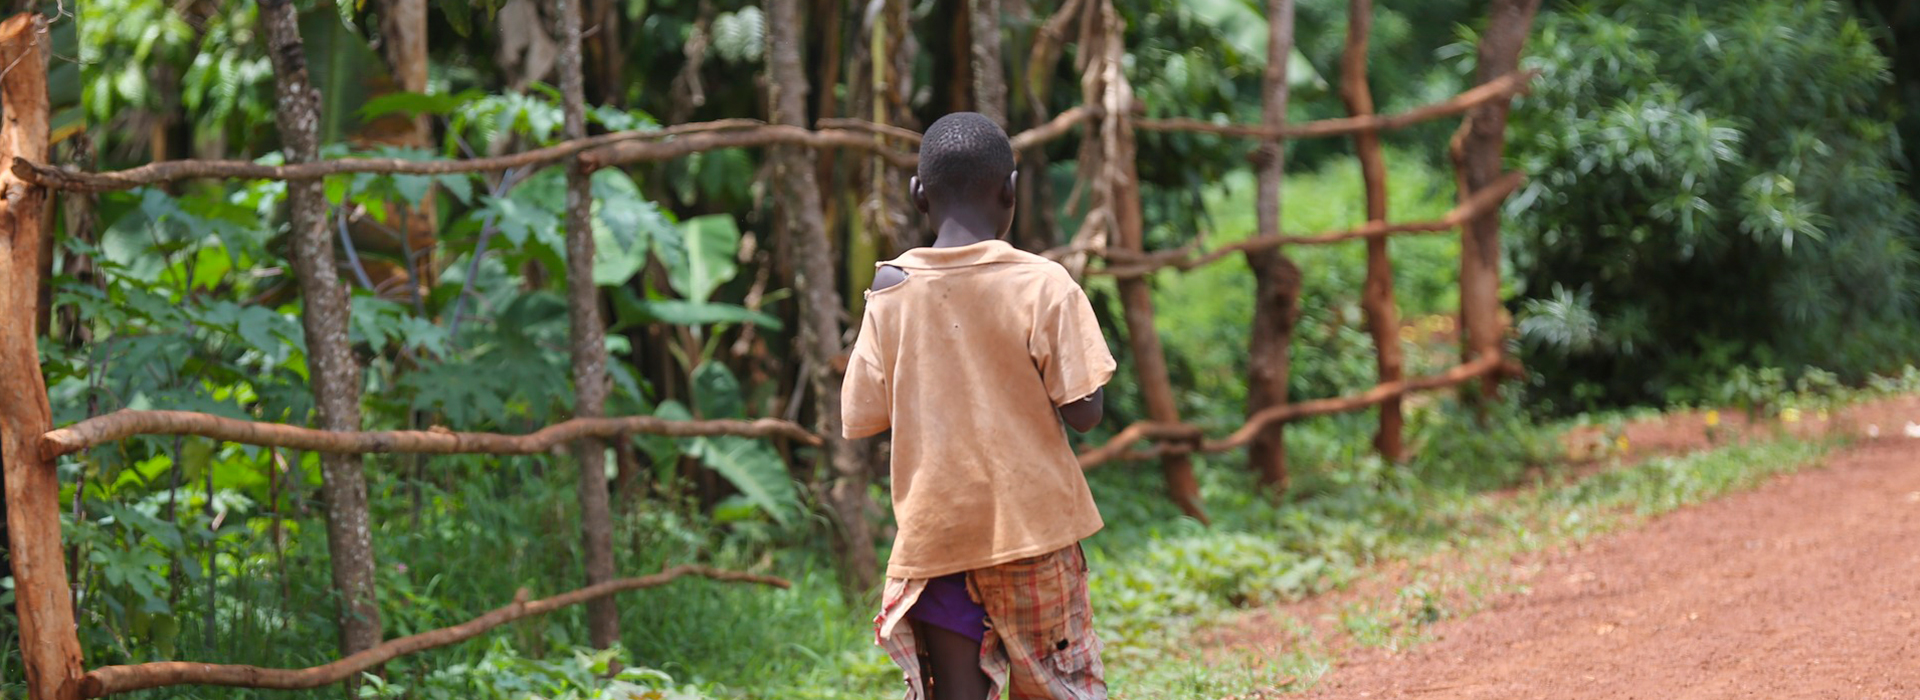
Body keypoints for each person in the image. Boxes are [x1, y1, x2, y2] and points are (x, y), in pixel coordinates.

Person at [842, 111, 1116, 700]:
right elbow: (1085, 412)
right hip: (1034, 532)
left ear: (918, 194)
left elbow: (862, 414)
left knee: (956, 693)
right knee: (1058, 684)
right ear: (1010, 190)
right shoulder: (1043, 284)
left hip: (938, 538)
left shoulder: (890, 292)